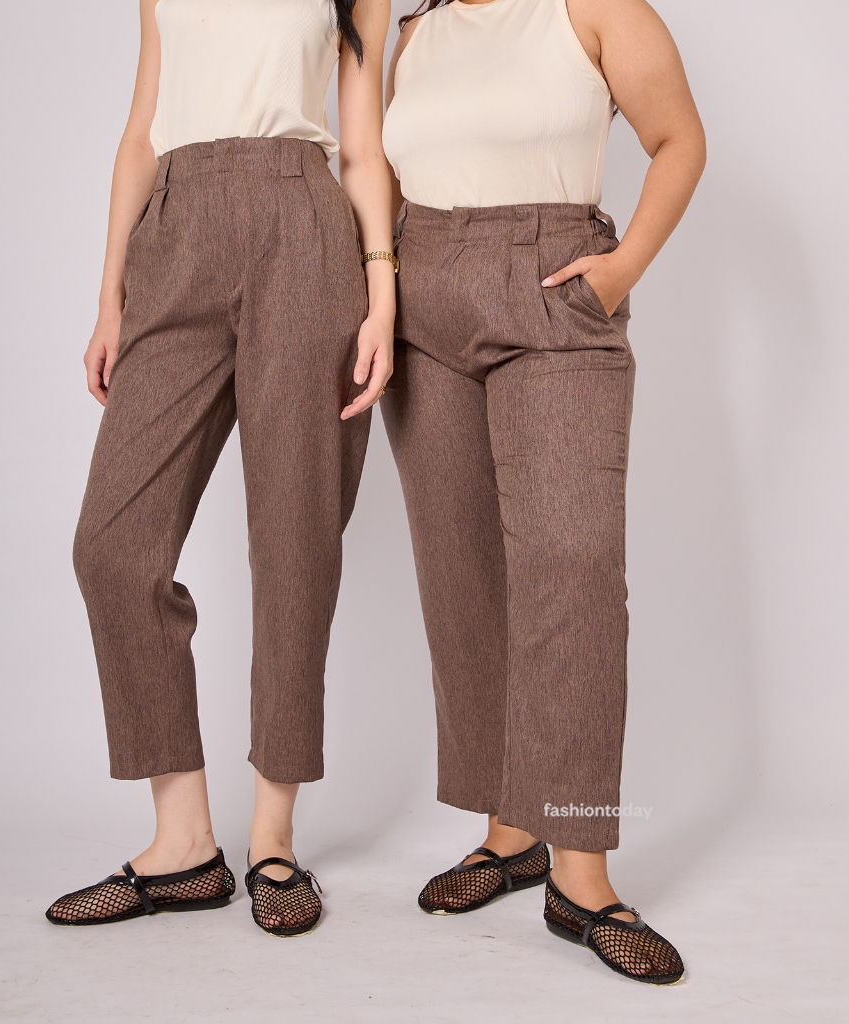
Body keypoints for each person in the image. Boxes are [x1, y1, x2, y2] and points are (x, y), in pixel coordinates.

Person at [46, 0, 395, 937]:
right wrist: (111, 296)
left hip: (303, 230)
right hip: (176, 233)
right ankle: (185, 843)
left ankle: (273, 839)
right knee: (112, 548)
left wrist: (383, 296)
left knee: (295, 545)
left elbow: (363, 149)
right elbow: (140, 134)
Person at [381, 0, 705, 981]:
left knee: (572, 566)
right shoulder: (412, 33)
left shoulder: (593, 9)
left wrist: (619, 271)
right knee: (462, 569)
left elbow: (679, 139)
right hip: (421, 303)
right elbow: (382, 179)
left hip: (554, 289)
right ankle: (511, 830)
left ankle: (582, 874)